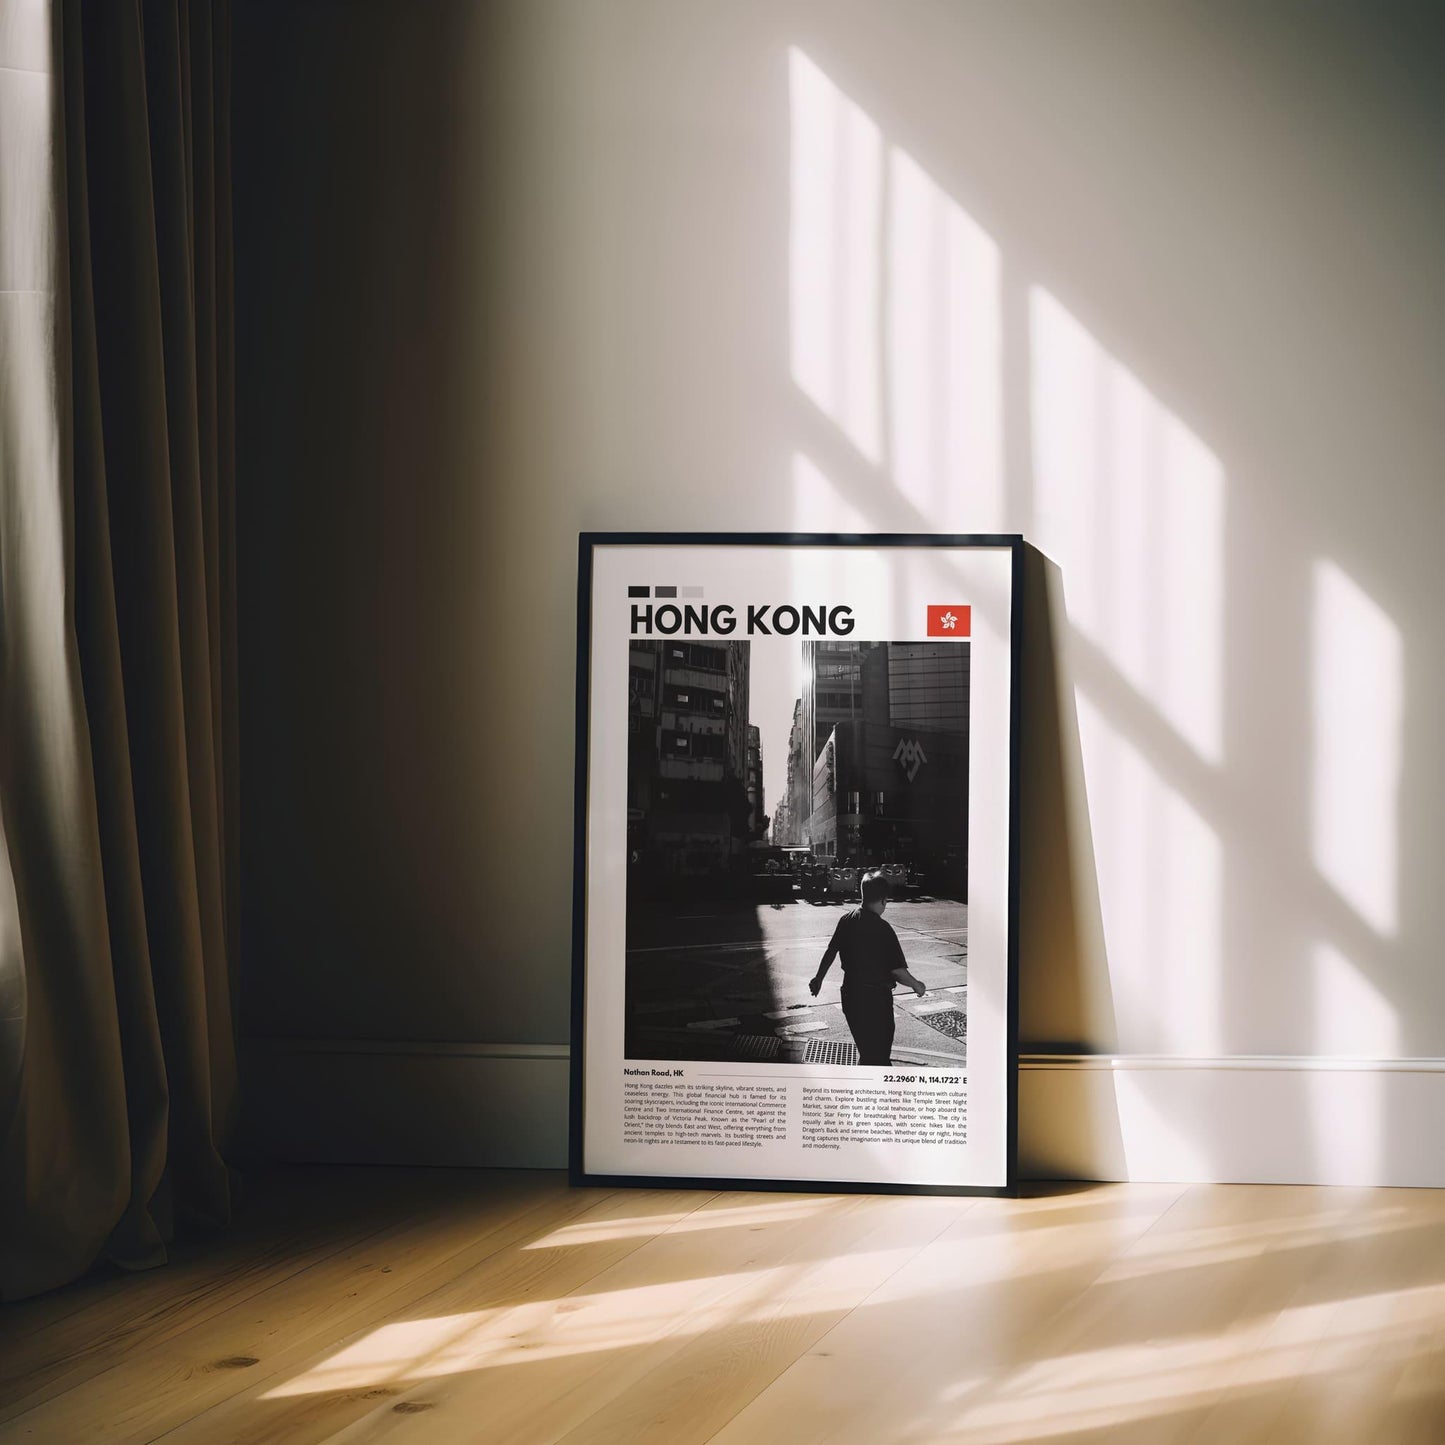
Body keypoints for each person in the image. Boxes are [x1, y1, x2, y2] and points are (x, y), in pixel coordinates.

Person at [809, 871, 926, 1066]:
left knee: (866, 1050)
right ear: (883, 900)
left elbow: (831, 951)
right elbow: (897, 972)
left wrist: (818, 978)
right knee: (879, 1057)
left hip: (850, 996)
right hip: (875, 1002)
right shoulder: (883, 929)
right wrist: (917, 985)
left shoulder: (846, 920)